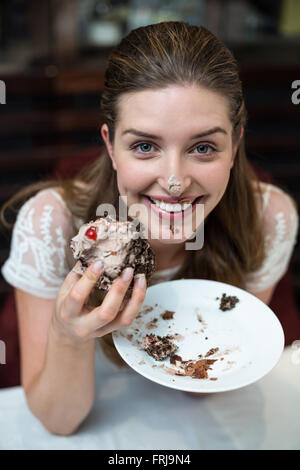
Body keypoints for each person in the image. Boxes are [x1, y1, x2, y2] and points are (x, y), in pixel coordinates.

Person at [0, 21, 298, 440]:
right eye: (144, 146)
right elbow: (60, 421)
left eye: (203, 147)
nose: (174, 181)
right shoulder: (51, 223)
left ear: (235, 146)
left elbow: (205, 387)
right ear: (110, 146)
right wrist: (68, 335)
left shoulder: (269, 219)